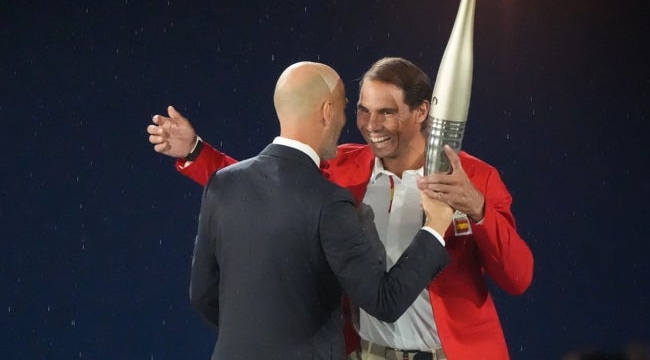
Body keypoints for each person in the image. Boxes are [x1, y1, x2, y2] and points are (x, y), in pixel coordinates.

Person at [148, 57, 534, 360]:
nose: (370, 124)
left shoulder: (475, 179)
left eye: (386, 112)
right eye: (363, 110)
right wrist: (198, 152)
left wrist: (478, 209)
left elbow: (518, 278)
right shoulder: (344, 167)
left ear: (421, 112)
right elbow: (271, 185)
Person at [186, 61, 454, 359]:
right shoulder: (329, 201)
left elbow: (202, 295)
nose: (347, 121)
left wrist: (257, 336)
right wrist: (435, 228)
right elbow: (384, 301)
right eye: (344, 107)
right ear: (327, 111)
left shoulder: (223, 184)